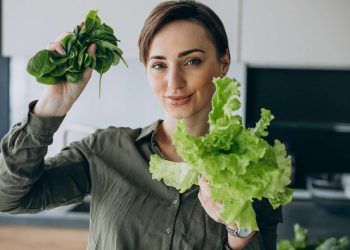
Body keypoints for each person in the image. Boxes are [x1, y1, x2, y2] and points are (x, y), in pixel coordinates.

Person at [0, 1, 282, 249]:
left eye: (192, 61)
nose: (174, 82)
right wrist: (51, 107)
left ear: (223, 63)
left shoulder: (253, 169)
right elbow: (9, 198)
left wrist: (238, 229)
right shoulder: (106, 151)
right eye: (159, 65)